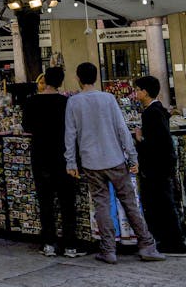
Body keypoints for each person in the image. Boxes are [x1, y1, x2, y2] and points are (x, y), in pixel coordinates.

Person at [65, 62, 165, 263]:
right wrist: (132, 157)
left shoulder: (74, 102)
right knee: (130, 203)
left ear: (78, 78)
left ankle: (108, 250)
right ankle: (146, 245)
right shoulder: (108, 99)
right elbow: (121, 129)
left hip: (91, 162)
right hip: (115, 158)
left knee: (102, 205)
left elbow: (70, 134)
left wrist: (71, 163)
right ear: (96, 77)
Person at [22, 67, 84, 257]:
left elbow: (26, 126)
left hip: (41, 156)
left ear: (45, 81)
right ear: (61, 82)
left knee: (46, 201)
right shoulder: (67, 103)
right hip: (64, 156)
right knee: (67, 203)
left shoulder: (31, 101)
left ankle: (48, 243)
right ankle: (70, 245)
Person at [133, 75, 186, 255]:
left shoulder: (151, 113)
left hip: (157, 167)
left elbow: (157, 143)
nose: (136, 93)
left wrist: (140, 139)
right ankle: (170, 239)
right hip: (161, 166)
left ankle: (173, 242)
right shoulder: (157, 110)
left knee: (163, 204)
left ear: (145, 92)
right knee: (163, 203)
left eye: (138, 90)